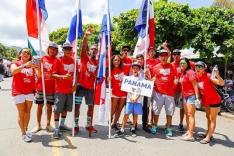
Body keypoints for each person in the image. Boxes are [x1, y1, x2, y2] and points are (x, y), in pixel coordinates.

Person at [11, 48, 38, 142]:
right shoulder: (15, 63)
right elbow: (13, 71)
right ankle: (23, 133)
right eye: (24, 52)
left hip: (30, 91)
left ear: (30, 56)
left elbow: (39, 76)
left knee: (28, 111)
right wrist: (25, 65)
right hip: (18, 92)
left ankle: (26, 129)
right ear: (20, 55)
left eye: (28, 53)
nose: (26, 54)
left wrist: (37, 67)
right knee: (21, 112)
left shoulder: (33, 65)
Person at [74, 28, 98, 135]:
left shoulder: (97, 62)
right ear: (89, 50)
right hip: (80, 86)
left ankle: (88, 125)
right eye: (92, 49)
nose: (94, 50)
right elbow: (83, 47)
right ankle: (75, 125)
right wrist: (85, 36)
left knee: (90, 108)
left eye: (96, 49)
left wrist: (93, 75)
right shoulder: (84, 57)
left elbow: (97, 75)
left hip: (90, 88)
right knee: (77, 107)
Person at [32, 42, 59, 133]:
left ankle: (48, 124)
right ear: (48, 49)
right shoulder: (42, 59)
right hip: (41, 87)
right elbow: (37, 73)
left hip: (51, 88)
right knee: (40, 106)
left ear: (57, 51)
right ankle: (38, 125)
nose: (53, 50)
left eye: (55, 49)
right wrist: (39, 65)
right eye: (51, 48)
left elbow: (58, 73)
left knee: (49, 107)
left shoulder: (57, 60)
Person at [52, 42, 77, 139]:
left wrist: (75, 85)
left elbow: (76, 74)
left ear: (71, 50)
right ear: (63, 50)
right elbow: (53, 74)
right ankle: (57, 129)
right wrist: (63, 77)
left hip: (70, 90)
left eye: (69, 49)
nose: (68, 50)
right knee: (57, 110)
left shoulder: (74, 61)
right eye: (66, 49)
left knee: (66, 109)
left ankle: (62, 124)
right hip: (60, 90)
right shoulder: (58, 60)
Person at [195, 61, 224, 144]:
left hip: (214, 100)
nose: (198, 68)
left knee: (212, 119)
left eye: (200, 66)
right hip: (206, 100)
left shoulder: (208, 76)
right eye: (196, 66)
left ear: (204, 68)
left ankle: (208, 137)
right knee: (208, 117)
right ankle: (209, 133)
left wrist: (217, 75)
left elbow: (221, 83)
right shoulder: (196, 77)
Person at [150, 49, 176, 137]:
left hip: (170, 93)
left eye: (165, 55)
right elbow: (153, 79)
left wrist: (176, 81)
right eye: (161, 55)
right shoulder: (155, 67)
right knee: (156, 111)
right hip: (158, 93)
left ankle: (168, 128)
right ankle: (154, 126)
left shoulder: (172, 67)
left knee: (169, 112)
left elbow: (176, 77)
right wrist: (152, 80)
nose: (163, 57)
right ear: (159, 57)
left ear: (168, 56)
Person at [115, 62, 143, 137]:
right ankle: (122, 128)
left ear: (139, 70)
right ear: (132, 69)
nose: (135, 69)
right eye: (134, 68)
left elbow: (142, 90)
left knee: (135, 114)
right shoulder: (128, 78)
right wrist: (131, 97)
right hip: (129, 99)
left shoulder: (142, 79)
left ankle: (133, 128)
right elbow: (127, 89)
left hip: (138, 100)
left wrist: (136, 98)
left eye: (137, 68)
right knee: (126, 113)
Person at [179, 58, 199, 141]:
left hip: (191, 96)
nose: (182, 64)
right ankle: (189, 131)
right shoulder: (183, 72)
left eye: (183, 63)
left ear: (187, 63)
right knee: (187, 114)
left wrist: (197, 97)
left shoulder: (190, 72)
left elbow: (195, 85)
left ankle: (191, 135)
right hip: (185, 96)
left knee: (191, 115)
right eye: (181, 63)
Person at [110, 55, 128, 131]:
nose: (116, 61)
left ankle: (114, 123)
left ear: (120, 61)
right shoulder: (110, 70)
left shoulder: (124, 69)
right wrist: (108, 80)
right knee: (113, 109)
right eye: (115, 60)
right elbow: (108, 83)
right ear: (112, 61)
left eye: (118, 60)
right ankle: (110, 119)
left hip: (124, 93)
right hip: (115, 92)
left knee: (119, 109)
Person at [171, 49, 184, 132]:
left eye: (178, 54)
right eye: (175, 54)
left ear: (180, 55)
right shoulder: (170, 65)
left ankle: (181, 123)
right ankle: (169, 122)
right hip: (172, 89)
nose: (176, 55)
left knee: (182, 107)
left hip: (182, 90)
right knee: (171, 107)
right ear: (172, 55)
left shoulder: (183, 64)